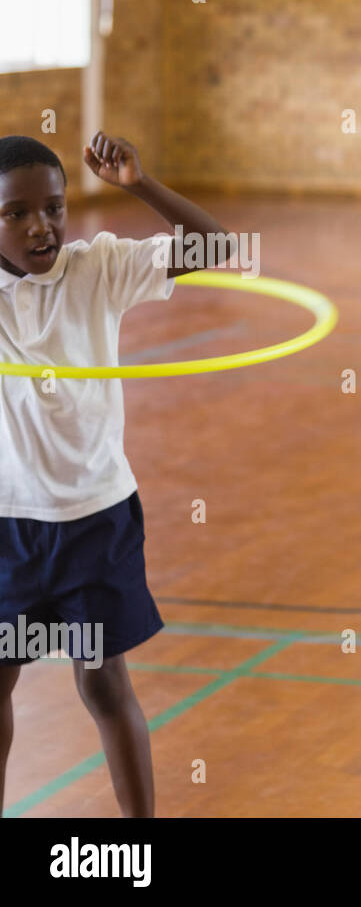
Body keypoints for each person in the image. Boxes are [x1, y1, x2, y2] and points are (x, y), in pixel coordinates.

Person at [0, 132, 233, 815]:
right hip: (10, 524)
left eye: (54, 207)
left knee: (104, 685)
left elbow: (217, 248)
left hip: (95, 520)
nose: (41, 225)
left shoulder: (97, 267)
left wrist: (140, 185)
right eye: (16, 213)